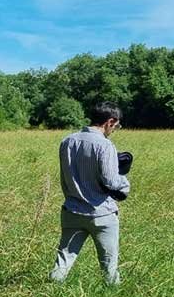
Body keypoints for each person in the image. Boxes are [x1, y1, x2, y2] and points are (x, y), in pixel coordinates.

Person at [50, 102, 131, 285]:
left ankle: (48, 295)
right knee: (109, 267)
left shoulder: (67, 141)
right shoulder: (105, 145)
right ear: (110, 121)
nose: (115, 129)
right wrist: (125, 184)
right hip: (102, 214)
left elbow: (64, 178)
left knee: (62, 262)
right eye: (116, 126)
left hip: (71, 210)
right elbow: (111, 181)